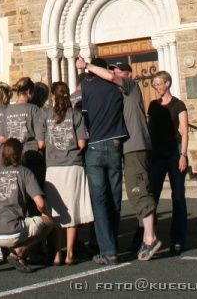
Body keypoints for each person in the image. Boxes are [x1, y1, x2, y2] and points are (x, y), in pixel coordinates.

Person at [0, 138, 53, 273]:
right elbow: (40, 203)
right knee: (49, 222)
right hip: (11, 232)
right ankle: (18, 251)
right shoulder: (25, 172)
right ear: (20, 154)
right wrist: (45, 213)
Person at [75, 57, 127, 266]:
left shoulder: (87, 88)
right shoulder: (117, 88)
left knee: (99, 199)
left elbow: (83, 117)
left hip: (95, 146)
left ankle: (108, 250)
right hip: (115, 145)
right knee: (114, 198)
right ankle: (112, 243)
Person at [40, 82, 93, 266]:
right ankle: (70, 253)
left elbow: (40, 143)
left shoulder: (46, 115)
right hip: (73, 165)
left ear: (53, 96)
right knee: (71, 209)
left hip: (54, 167)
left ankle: (56, 253)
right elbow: (82, 144)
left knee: (56, 211)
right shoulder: (76, 115)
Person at [148, 70, 189, 255]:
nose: (157, 87)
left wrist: (183, 154)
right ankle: (148, 236)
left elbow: (185, 131)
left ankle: (178, 239)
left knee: (178, 196)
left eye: (159, 84)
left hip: (174, 153)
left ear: (168, 83)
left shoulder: (178, 105)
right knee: (152, 197)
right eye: (154, 84)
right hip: (157, 155)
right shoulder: (153, 105)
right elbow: (150, 130)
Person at [1, 77, 45, 188]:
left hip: (13, 158)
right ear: (29, 91)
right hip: (32, 158)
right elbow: (41, 143)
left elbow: (1, 138)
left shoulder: (7, 110)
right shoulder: (34, 109)